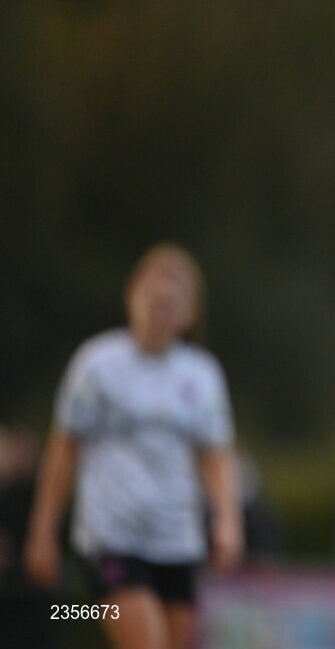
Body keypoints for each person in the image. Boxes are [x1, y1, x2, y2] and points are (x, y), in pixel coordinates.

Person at [24, 244, 243, 649]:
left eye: (172, 303)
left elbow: (214, 456)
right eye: (154, 300)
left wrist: (228, 521)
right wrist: (43, 533)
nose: (161, 311)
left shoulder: (203, 374)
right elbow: (63, 451)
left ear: (190, 313)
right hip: (113, 539)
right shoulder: (97, 364)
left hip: (177, 539)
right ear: (132, 298)